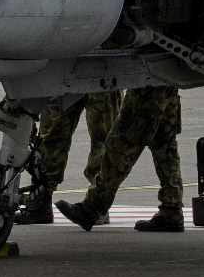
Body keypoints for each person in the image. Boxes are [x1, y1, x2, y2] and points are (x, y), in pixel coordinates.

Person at [57, 84, 186, 233]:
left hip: (148, 86)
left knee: (120, 144)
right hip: (167, 82)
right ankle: (172, 209)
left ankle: (92, 208)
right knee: (165, 144)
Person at [16, 92, 121, 224]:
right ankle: (41, 199)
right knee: (51, 132)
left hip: (102, 81)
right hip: (63, 80)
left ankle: (97, 205)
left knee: (103, 138)